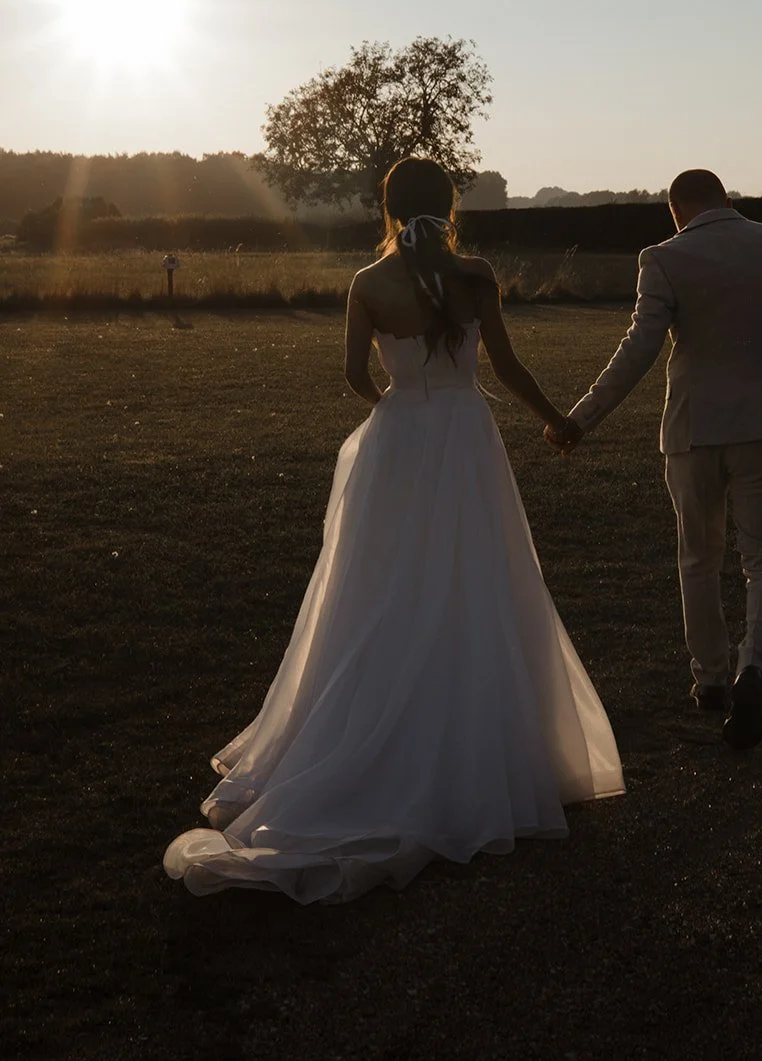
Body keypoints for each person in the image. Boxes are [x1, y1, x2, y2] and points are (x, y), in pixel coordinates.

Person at [164, 158, 623, 903]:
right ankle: (493, 746)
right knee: (480, 574)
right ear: (449, 207)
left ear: (385, 207)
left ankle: (366, 728)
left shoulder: (366, 284)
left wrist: (393, 403)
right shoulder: (473, 273)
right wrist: (557, 420)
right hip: (467, 439)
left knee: (380, 583)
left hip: (399, 441)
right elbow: (503, 365)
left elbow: (353, 376)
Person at [547, 169, 762, 749]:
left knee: (699, 558)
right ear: (727, 198)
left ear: (675, 209)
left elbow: (640, 347)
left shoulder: (664, 256)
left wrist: (582, 418)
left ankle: (709, 681)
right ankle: (756, 668)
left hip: (694, 430)